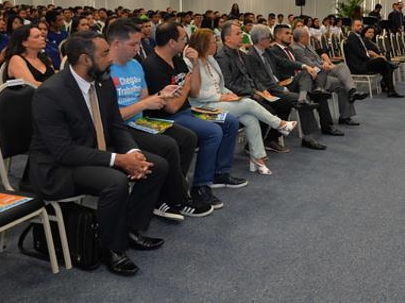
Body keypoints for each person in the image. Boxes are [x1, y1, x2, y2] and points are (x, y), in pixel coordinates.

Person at [28, 31, 169, 276]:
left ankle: (130, 229)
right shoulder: (50, 93)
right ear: (85, 59)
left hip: (92, 152)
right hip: (58, 167)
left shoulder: (102, 82)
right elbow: (64, 151)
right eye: (105, 53)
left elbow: (116, 125)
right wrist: (119, 160)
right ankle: (112, 248)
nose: (111, 58)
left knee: (155, 165)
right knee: (115, 181)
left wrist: (133, 153)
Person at [107, 19, 211, 220]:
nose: (138, 49)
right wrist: (145, 104)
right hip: (121, 127)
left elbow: (144, 98)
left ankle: (169, 193)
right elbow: (109, 117)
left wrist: (161, 94)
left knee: (188, 137)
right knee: (168, 145)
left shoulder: (136, 65)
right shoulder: (105, 71)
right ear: (116, 44)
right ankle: (177, 198)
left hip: (139, 121)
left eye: (139, 43)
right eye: (133, 44)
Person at [142, 21, 245, 210]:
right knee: (213, 132)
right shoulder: (152, 65)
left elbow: (195, 92)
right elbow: (171, 107)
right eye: (183, 38)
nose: (187, 42)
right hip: (167, 117)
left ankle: (220, 173)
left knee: (229, 121)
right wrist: (186, 86)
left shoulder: (177, 60)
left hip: (188, 110)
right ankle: (201, 186)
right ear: (172, 42)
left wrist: (196, 64)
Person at [186, 28, 297, 175]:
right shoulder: (191, 62)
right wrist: (220, 97)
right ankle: (280, 124)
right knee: (248, 103)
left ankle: (257, 158)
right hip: (201, 108)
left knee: (251, 118)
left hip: (218, 102)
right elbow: (195, 94)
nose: (216, 44)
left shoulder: (210, 59)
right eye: (213, 42)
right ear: (203, 44)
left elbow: (220, 85)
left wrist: (229, 94)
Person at [242, 24, 329, 150]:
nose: (270, 40)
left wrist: (304, 66)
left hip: (280, 85)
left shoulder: (267, 51)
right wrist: (281, 89)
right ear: (260, 40)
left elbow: (284, 62)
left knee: (304, 75)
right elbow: (261, 81)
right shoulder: (251, 56)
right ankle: (300, 137)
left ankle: (303, 98)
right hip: (268, 90)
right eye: (268, 38)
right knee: (297, 101)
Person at [268, 25, 343, 136]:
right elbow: (286, 64)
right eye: (287, 33)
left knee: (319, 91)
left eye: (291, 33)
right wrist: (305, 67)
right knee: (307, 75)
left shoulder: (290, 49)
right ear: (278, 35)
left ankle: (327, 126)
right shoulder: (273, 51)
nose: (290, 36)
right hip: (287, 83)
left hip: (302, 81)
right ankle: (309, 135)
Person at [291, 27, 367, 126]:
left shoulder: (308, 46)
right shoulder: (296, 49)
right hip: (314, 76)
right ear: (301, 38)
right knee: (342, 82)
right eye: (307, 35)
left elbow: (318, 58)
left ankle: (351, 93)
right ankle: (351, 94)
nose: (309, 36)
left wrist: (325, 63)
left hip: (323, 70)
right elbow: (309, 64)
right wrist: (323, 65)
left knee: (342, 67)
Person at [345, 19, 403, 98]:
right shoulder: (352, 37)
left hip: (363, 62)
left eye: (361, 25)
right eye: (358, 25)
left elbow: (363, 52)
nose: (360, 27)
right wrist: (371, 59)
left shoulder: (358, 37)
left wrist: (372, 58)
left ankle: (390, 89)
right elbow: (360, 53)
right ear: (352, 27)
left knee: (385, 65)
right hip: (358, 66)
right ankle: (389, 88)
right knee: (382, 61)